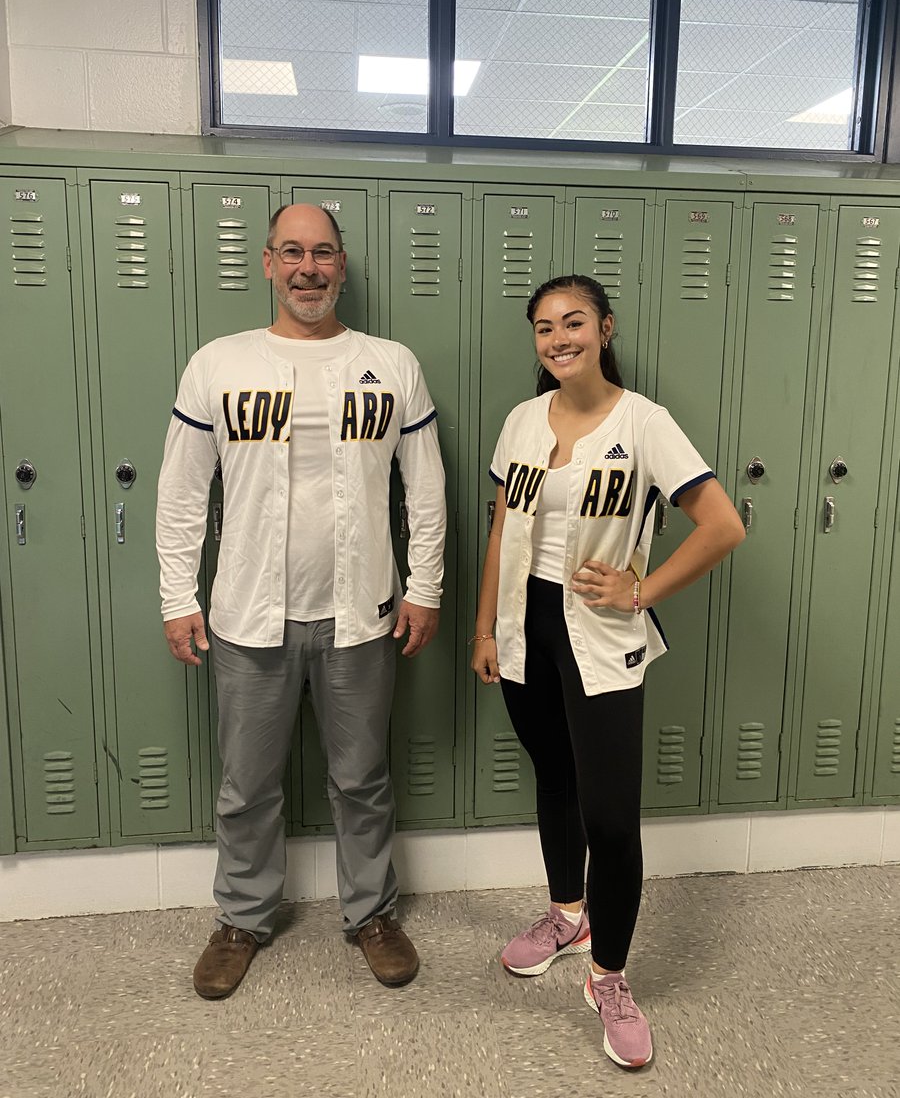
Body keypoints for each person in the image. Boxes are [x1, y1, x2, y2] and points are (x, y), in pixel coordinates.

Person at [157, 204, 446, 999]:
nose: (308, 268)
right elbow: (181, 493)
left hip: (362, 616)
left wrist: (425, 587)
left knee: (362, 779)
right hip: (249, 618)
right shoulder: (219, 364)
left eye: (322, 253)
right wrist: (176, 595)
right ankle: (242, 919)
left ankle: (373, 915)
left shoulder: (390, 364)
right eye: (292, 252)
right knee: (246, 785)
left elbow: (425, 490)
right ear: (268, 263)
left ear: (342, 266)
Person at [471, 274, 744, 1069]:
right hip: (526, 628)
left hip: (599, 634)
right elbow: (501, 531)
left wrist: (641, 590)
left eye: (574, 323)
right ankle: (568, 914)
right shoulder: (523, 421)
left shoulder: (644, 423)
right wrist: (485, 628)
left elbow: (722, 525)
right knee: (554, 777)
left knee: (614, 822)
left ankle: (609, 977)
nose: (559, 339)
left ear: (604, 329)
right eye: (544, 327)